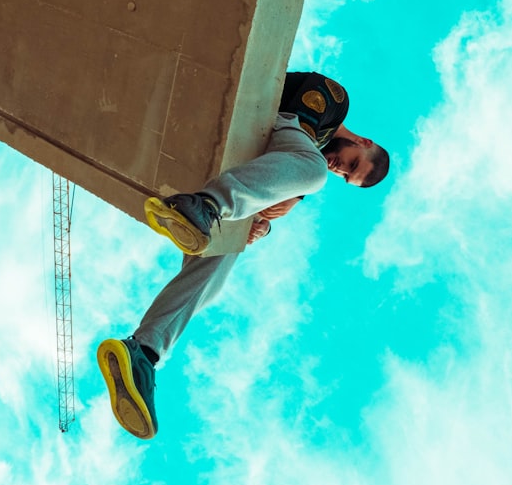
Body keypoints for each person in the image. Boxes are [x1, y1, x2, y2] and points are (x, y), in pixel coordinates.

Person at [96, 71, 390, 439]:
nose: (341, 170)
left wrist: (260, 225)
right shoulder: (336, 102)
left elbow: (267, 201)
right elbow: (287, 125)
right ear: (362, 141)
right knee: (312, 173)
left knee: (222, 260)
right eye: (352, 164)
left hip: (250, 170)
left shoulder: (303, 162)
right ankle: (208, 204)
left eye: (347, 176)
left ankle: (144, 353)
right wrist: (288, 198)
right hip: (255, 114)